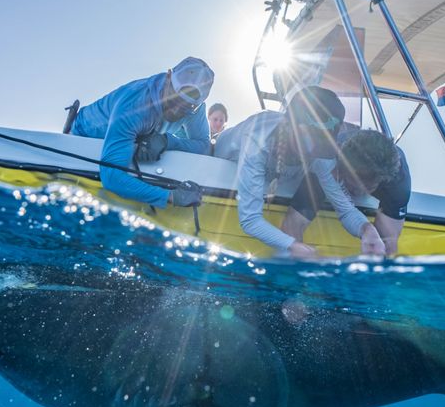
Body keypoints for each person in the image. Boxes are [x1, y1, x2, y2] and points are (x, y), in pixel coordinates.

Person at [214, 86, 387, 258]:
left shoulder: (321, 156)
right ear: (289, 125)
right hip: (220, 152)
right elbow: (250, 220)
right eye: (307, 141)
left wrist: (368, 230)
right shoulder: (257, 139)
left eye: (320, 145)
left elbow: (346, 210)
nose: (312, 151)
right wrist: (294, 246)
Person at [70, 57, 214, 208]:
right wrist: (170, 196)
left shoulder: (196, 109)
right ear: (168, 76)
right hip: (83, 132)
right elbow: (111, 177)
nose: (176, 110)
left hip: (134, 133)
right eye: (174, 99)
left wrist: (167, 141)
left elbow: (205, 146)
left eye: (186, 108)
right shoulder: (135, 104)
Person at [280, 129, 411, 257]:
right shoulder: (327, 157)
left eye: (365, 188)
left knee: (386, 243)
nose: (355, 193)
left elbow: (389, 247)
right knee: (292, 225)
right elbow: (290, 228)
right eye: (351, 185)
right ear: (339, 170)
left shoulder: (397, 181)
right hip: (338, 159)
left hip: (385, 175)